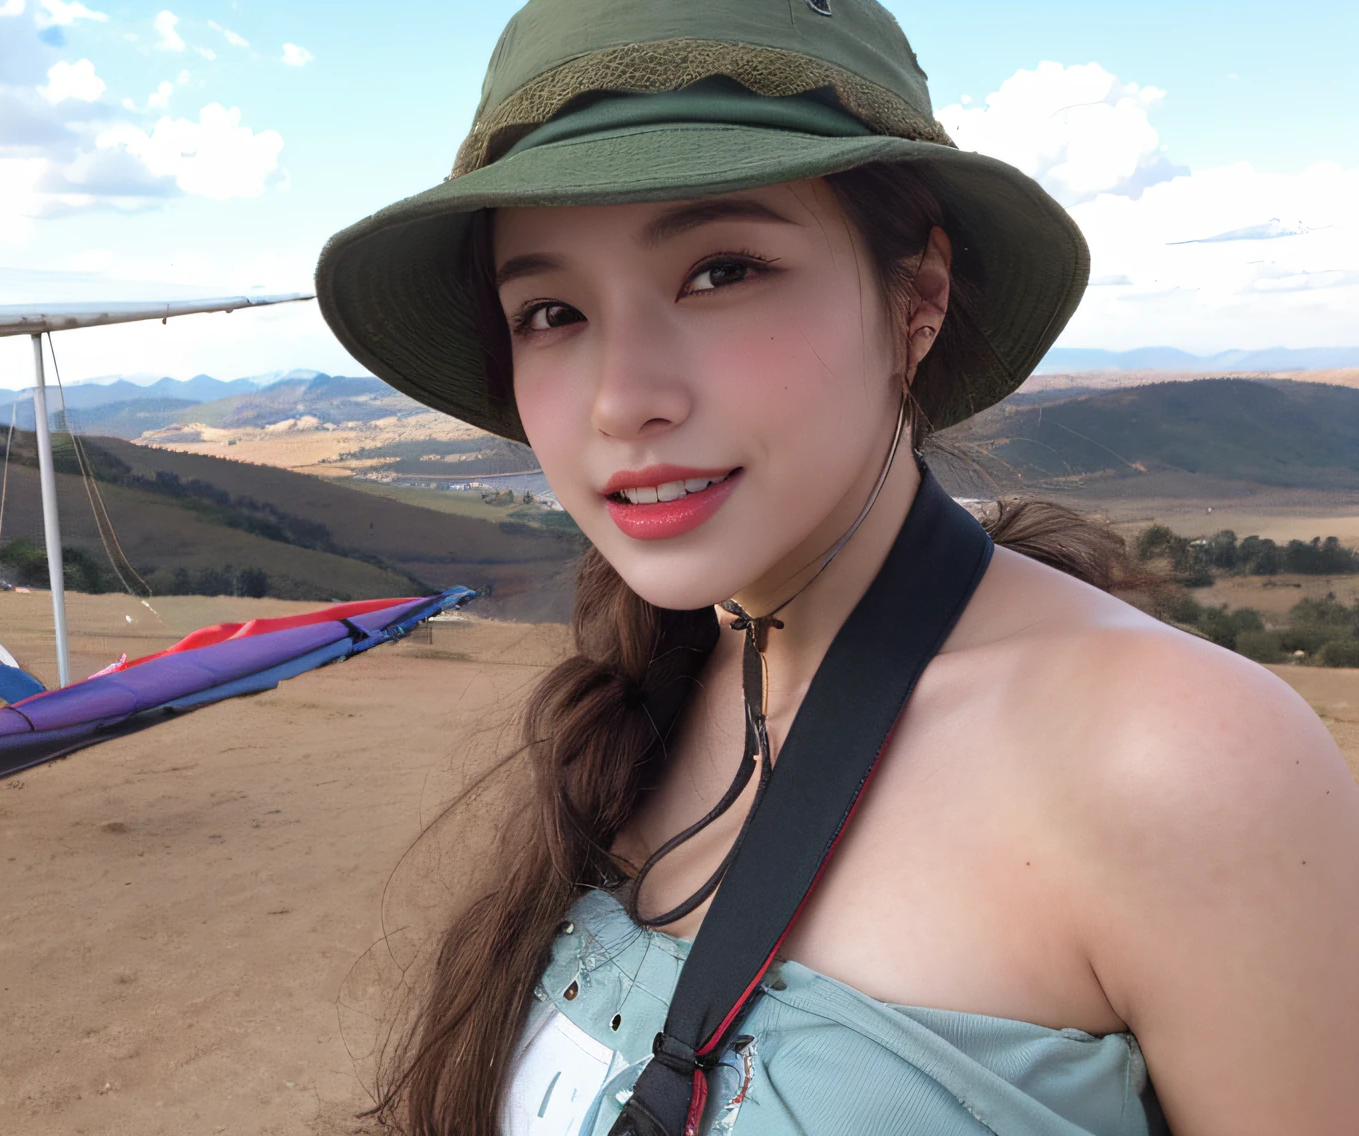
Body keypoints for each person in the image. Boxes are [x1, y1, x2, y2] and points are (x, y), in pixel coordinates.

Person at [315, 2, 1359, 1133]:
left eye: (721, 271)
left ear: (919, 297)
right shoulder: (651, 700)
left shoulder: (1179, 760)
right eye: (552, 310)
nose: (622, 399)